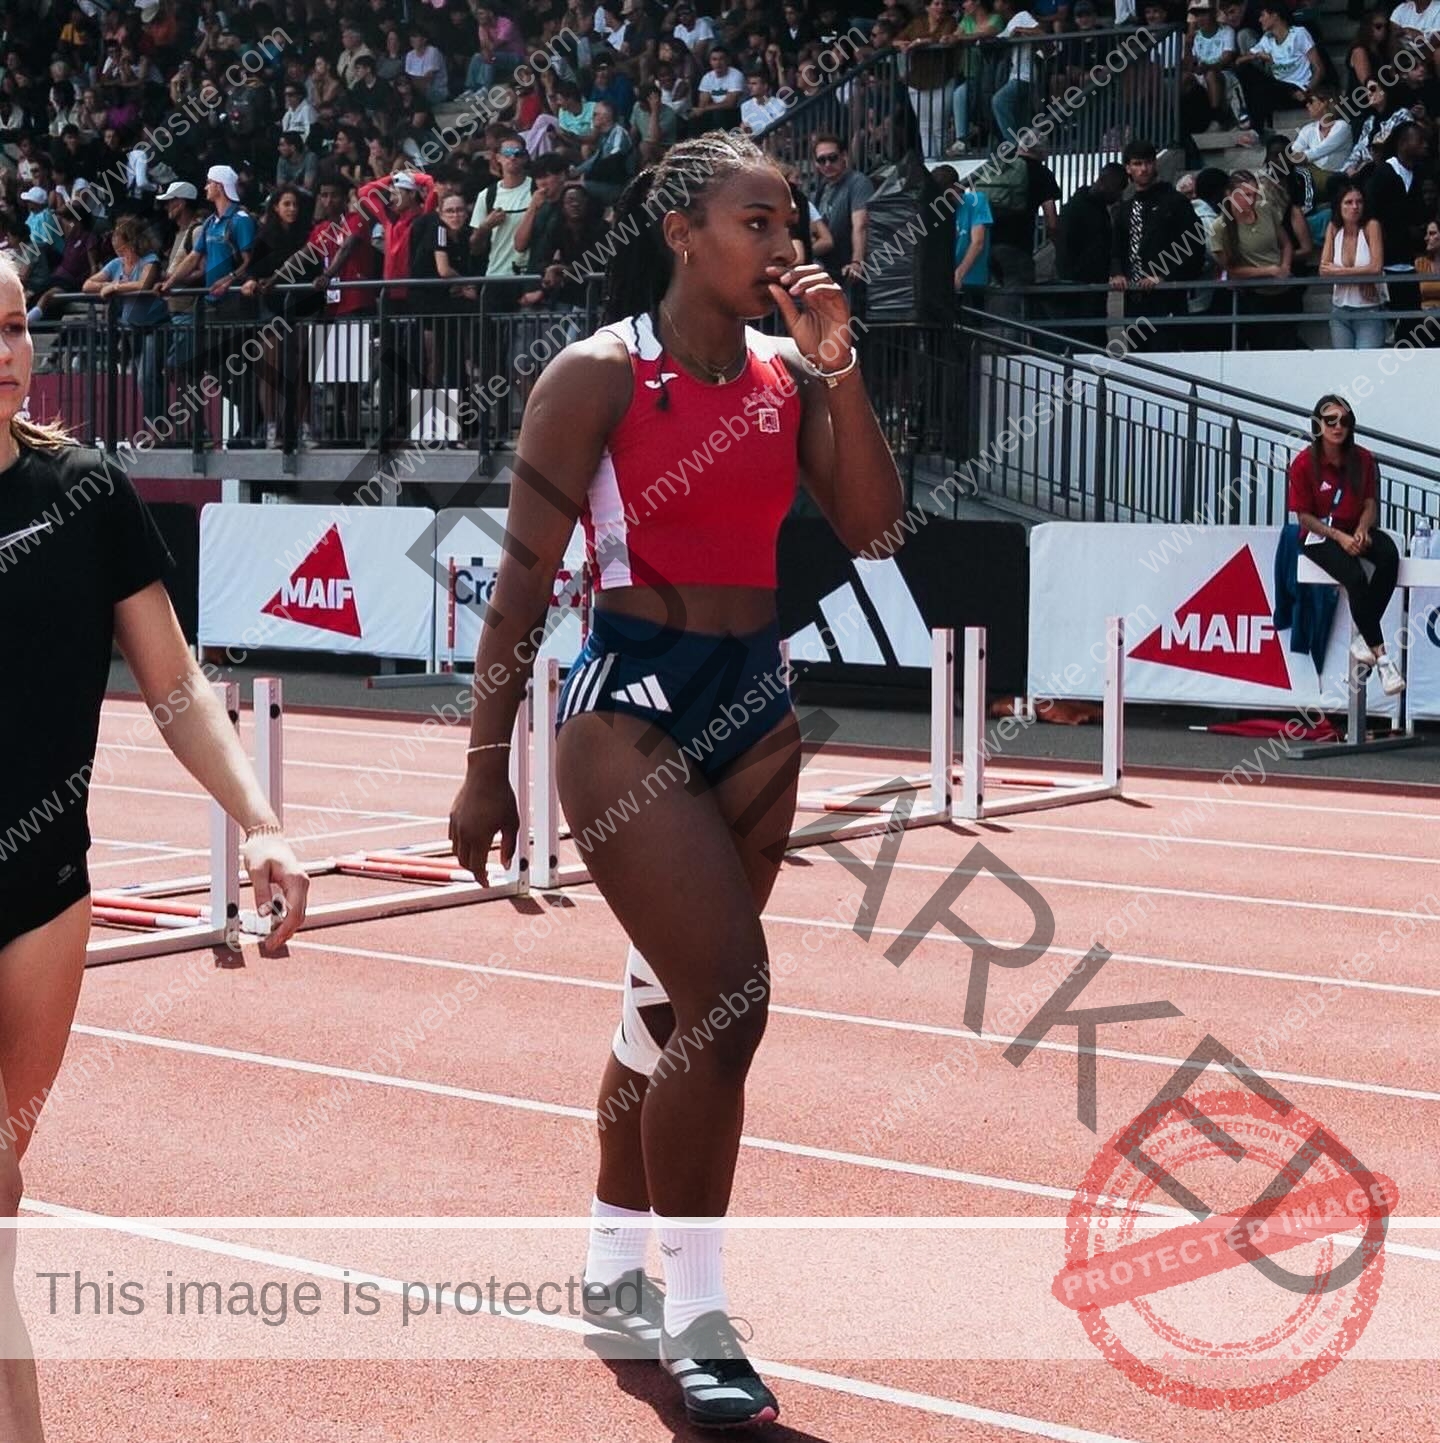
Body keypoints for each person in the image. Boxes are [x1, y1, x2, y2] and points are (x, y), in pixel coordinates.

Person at [447, 131, 903, 1429]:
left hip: (755, 704)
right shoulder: (596, 375)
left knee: (669, 1005)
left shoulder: (786, 375)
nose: (783, 244)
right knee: (731, 996)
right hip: (627, 701)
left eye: (791, 222)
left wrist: (842, 372)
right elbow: (524, 582)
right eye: (755, 222)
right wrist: (487, 766)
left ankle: (609, 1266)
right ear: (682, 234)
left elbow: (874, 530)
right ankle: (695, 1314)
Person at [0, 250, 309, 1443]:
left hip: (44, 894)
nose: (11, 353)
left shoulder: (84, 491)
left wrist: (262, 820)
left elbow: (173, 683)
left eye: (21, 327)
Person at [1287, 394, 1404, 694]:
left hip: (1355, 527)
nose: (1338, 426)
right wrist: (1339, 537)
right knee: (1354, 576)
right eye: (1331, 420)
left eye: (1345, 421)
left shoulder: (1363, 458)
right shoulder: (1303, 463)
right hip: (1321, 535)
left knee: (1390, 555)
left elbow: (1369, 503)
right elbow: (1304, 518)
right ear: (1319, 424)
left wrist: (1363, 529)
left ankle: (1364, 636)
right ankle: (1383, 659)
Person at [1109, 139, 1204, 349]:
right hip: (1134, 298)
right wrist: (1117, 272)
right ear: (1128, 168)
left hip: (1168, 297)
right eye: (1137, 164)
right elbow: (1116, 248)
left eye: (1147, 163)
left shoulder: (1175, 202)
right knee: (1137, 361)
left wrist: (1165, 275)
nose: (1143, 169)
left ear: (1155, 164)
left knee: (1165, 354)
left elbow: (1195, 243)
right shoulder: (1124, 209)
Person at [1320, 179, 1387, 349]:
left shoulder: (1371, 226)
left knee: (1366, 366)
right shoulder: (1333, 228)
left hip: (1368, 309)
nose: (1355, 207)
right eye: (1348, 202)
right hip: (1339, 310)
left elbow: (1376, 267)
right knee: (1343, 367)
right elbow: (1324, 270)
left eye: (1359, 202)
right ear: (1339, 206)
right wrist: (1362, 275)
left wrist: (1340, 271)